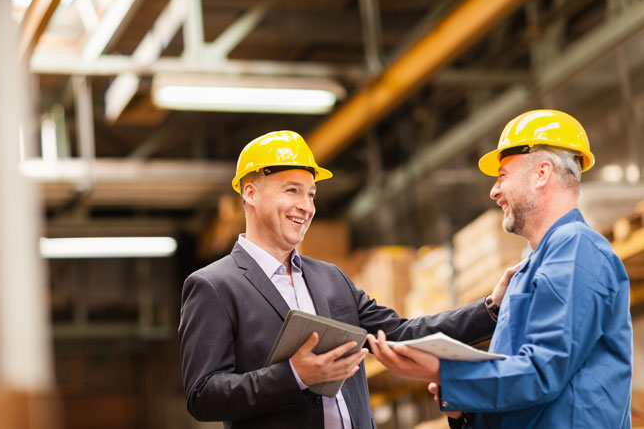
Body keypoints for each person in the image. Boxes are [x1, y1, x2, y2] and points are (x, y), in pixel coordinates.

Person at [179, 130, 515, 429]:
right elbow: (203, 394)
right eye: (292, 191)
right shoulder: (213, 286)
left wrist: (491, 308)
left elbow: (402, 334)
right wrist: (294, 376)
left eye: (311, 194)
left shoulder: (331, 279)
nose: (305, 206)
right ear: (251, 193)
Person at [368, 109, 633, 428]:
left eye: (503, 175)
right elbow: (526, 392)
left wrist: (445, 372)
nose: (494, 191)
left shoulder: (576, 248)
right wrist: (466, 412)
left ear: (542, 173)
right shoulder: (532, 268)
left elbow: (540, 372)